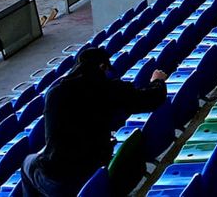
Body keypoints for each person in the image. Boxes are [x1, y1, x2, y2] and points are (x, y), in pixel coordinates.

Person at [21, 47, 167, 196]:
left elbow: (51, 140)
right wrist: (158, 81)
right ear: (102, 67)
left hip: (59, 180)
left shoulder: (54, 93)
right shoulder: (109, 89)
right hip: (93, 176)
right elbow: (153, 98)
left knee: (27, 163)